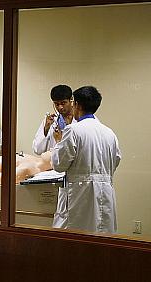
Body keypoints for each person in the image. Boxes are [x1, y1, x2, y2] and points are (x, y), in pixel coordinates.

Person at [52, 86, 121, 234]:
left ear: (77, 105)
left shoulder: (73, 130)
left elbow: (59, 165)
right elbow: (116, 160)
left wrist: (58, 142)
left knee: (77, 240)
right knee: (103, 237)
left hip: (81, 193)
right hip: (106, 191)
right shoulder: (109, 133)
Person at [32, 84, 75, 155]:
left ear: (71, 100)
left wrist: (59, 140)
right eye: (56, 104)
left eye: (63, 103)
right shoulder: (52, 121)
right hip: (54, 164)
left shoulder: (80, 120)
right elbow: (37, 149)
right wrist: (46, 128)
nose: (60, 107)